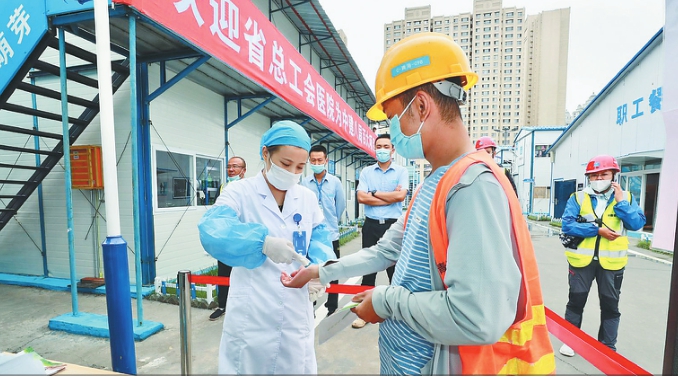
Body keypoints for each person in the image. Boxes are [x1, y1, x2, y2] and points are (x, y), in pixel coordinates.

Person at [281, 32, 555, 375]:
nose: (389, 132)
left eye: (392, 117)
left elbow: (476, 317)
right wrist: (323, 271)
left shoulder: (471, 187)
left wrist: (384, 301)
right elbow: (386, 250)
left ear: (421, 106)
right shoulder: (435, 182)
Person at [197, 121, 335, 374]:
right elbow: (212, 230)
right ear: (265, 154)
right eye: (285, 164)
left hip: (296, 305)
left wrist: (319, 268)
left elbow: (320, 236)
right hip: (253, 309)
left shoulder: (306, 197)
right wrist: (262, 243)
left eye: (300, 167)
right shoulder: (239, 191)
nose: (292, 172)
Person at [558, 155, 646, 357]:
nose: (599, 179)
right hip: (581, 260)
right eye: (594, 175)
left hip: (612, 263)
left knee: (610, 305)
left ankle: (607, 347)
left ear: (614, 175)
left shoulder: (627, 198)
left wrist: (621, 203)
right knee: (576, 301)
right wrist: (597, 231)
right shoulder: (578, 197)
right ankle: (570, 341)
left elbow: (636, 224)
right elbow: (567, 225)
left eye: (604, 174)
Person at [353, 133, 408, 328]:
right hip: (371, 225)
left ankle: (396, 313)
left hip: (393, 225)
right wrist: (389, 196)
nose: (382, 150)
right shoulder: (367, 172)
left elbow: (400, 197)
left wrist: (374, 193)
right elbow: (361, 198)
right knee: (368, 268)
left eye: (386, 146)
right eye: (379, 146)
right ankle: (363, 313)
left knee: (396, 271)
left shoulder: (401, 171)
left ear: (392, 150)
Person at [301, 145, 346, 316]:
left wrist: (331, 223)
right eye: (313, 160)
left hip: (330, 234)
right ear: (309, 161)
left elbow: (340, 206)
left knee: (333, 271)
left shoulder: (335, 182)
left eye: (320, 160)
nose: (317, 163)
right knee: (309, 271)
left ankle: (332, 307)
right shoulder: (305, 182)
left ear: (326, 160)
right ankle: (309, 306)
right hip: (311, 236)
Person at [208, 156, 247, 321]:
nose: (231, 169)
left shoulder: (247, 188)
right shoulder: (223, 187)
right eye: (229, 166)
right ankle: (222, 305)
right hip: (224, 238)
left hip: (241, 238)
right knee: (223, 273)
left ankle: (244, 306)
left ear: (243, 171)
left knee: (243, 274)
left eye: (235, 167)